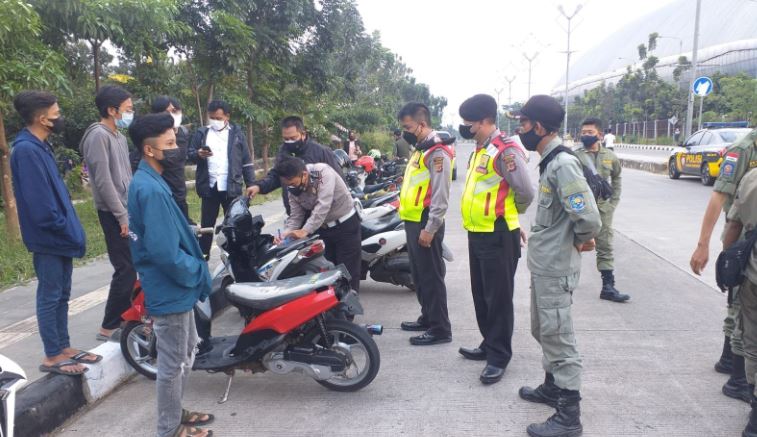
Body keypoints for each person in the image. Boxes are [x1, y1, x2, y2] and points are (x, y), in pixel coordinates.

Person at [516, 95, 601, 437]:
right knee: (543, 329)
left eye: (523, 124)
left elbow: (589, 219)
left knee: (558, 335)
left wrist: (579, 240)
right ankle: (552, 387)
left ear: (538, 126)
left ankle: (569, 414)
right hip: (545, 263)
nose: (520, 130)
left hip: (556, 266)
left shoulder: (562, 165)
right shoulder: (550, 162)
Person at [127, 113, 214, 437]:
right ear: (150, 150)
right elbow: (164, 253)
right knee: (173, 363)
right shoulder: (149, 189)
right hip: (171, 287)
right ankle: (169, 427)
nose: (177, 149)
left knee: (187, 351)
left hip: (175, 286)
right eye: (170, 143)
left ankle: (175, 412)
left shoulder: (152, 180)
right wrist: (196, 269)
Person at [10, 91, 100, 376]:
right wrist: (64, 228)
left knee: (62, 294)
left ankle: (64, 346)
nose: (59, 117)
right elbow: (41, 206)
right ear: (41, 118)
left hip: (58, 236)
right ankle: (52, 354)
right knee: (50, 295)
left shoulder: (40, 145)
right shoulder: (25, 150)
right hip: (49, 238)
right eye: (56, 113)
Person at [457, 94, 535, 384]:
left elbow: (525, 192)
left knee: (498, 298)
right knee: (481, 295)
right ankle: (488, 343)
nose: (466, 128)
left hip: (498, 235)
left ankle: (499, 356)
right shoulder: (481, 148)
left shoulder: (505, 150)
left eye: (469, 124)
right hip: (478, 232)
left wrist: (512, 220)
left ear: (485, 120)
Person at [690, 128, 757, 403]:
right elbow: (718, 197)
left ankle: (729, 361)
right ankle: (739, 380)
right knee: (742, 309)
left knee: (740, 309)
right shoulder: (743, 150)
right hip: (742, 240)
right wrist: (703, 245)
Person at [79, 85, 136, 342]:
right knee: (125, 269)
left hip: (125, 209)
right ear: (112, 110)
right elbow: (102, 181)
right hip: (112, 212)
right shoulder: (98, 136)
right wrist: (121, 215)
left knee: (132, 267)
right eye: (127, 109)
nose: (130, 113)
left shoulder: (119, 137)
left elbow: (126, 177)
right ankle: (108, 326)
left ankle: (124, 318)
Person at [397, 102, 453, 346]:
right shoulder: (420, 148)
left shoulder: (437, 151)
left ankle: (440, 328)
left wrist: (431, 228)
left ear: (421, 124)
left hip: (426, 219)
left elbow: (441, 194)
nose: (405, 131)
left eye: (407, 126)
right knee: (419, 274)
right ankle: (428, 317)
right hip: (412, 218)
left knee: (431, 276)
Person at [276, 155, 362, 292]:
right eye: (287, 184)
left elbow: (323, 205)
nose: (290, 187)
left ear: (304, 175)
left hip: (346, 226)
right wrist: (286, 233)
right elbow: (296, 215)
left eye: (292, 183)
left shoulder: (321, 173)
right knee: (327, 273)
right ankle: (332, 311)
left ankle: (347, 312)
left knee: (347, 273)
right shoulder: (292, 189)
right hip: (323, 230)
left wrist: (305, 230)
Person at [187, 100, 256, 259]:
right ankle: (203, 258)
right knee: (206, 227)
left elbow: (246, 161)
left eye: (218, 118)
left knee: (235, 225)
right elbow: (189, 154)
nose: (215, 121)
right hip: (209, 187)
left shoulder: (237, 134)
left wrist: (251, 183)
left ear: (227, 116)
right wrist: (198, 154)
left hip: (231, 187)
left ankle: (237, 257)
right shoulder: (202, 133)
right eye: (212, 118)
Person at [574, 118, 629, 303]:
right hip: (581, 210)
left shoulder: (610, 156)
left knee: (605, 246)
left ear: (599, 135)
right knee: (573, 243)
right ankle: (568, 279)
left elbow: (617, 178)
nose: (586, 135)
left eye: (590, 132)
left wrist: (613, 203)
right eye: (583, 132)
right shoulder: (575, 156)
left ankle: (608, 286)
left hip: (603, 209)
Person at [248, 116, 342, 215]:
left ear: (303, 134)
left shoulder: (320, 152)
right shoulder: (283, 152)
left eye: (293, 138)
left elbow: (338, 180)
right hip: (295, 215)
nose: (289, 142)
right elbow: (276, 175)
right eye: (286, 139)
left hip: (320, 215)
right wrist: (259, 186)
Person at [723, 170, 757, 437]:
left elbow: (733, 225)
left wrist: (727, 262)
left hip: (754, 276)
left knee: (753, 343)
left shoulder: (752, 178)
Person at [151, 96, 191, 221]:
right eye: (167, 112)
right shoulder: (151, 137)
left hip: (179, 193)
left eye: (175, 111)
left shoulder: (183, 133)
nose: (172, 115)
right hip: (161, 195)